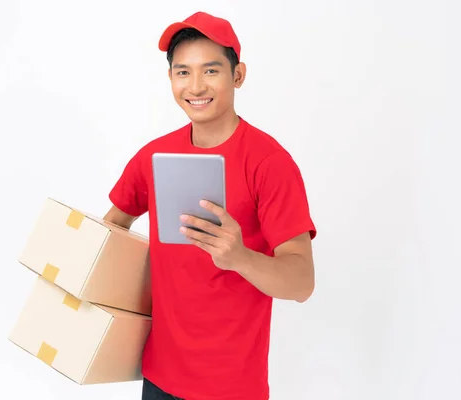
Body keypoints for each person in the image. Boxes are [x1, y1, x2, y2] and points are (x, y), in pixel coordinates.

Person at [103, 11, 317, 400]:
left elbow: (302, 282)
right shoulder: (153, 156)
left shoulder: (269, 163)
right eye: (183, 72)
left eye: (211, 71)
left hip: (231, 387)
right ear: (171, 79)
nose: (196, 85)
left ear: (238, 76)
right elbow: (108, 234)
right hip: (158, 376)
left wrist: (240, 257)